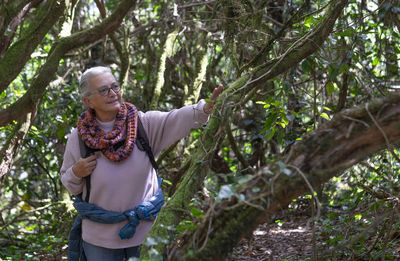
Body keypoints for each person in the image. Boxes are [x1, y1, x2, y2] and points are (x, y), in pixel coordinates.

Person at [60, 66, 223, 261]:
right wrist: (76, 172)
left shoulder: (142, 124)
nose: (113, 94)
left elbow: (175, 118)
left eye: (115, 87)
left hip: (147, 233)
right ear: (88, 101)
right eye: (104, 90)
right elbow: (70, 184)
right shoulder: (78, 138)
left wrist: (204, 108)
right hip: (99, 239)